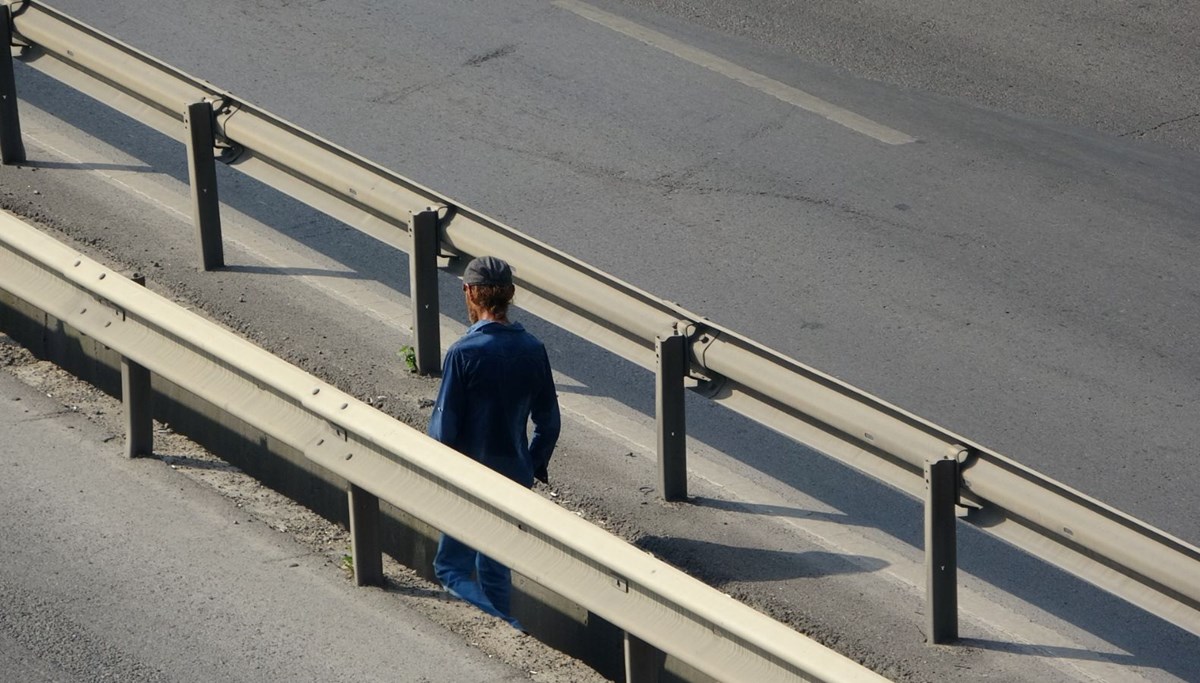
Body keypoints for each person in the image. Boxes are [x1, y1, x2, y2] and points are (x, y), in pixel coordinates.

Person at [428, 255, 560, 630]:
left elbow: (443, 430)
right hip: (513, 477)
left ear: (469, 292)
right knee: (495, 568)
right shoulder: (533, 349)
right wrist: (529, 467)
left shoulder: (463, 353)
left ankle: (507, 624)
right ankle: (505, 627)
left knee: (451, 568)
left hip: (468, 477)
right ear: (511, 295)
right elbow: (549, 424)